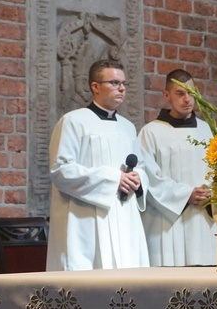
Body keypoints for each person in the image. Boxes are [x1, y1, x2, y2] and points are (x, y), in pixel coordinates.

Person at [48, 59, 150, 271]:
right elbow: (61, 170)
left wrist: (138, 178)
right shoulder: (73, 122)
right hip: (86, 220)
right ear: (95, 86)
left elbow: (141, 165)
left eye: (123, 83)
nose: (121, 88)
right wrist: (114, 179)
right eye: (114, 82)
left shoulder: (128, 127)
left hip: (124, 218)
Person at [138, 70, 217, 266]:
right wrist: (186, 195)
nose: (187, 99)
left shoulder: (206, 130)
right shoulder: (150, 132)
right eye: (180, 94)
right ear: (167, 95)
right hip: (166, 226)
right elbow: (148, 178)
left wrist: (212, 192)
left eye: (191, 93)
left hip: (204, 222)